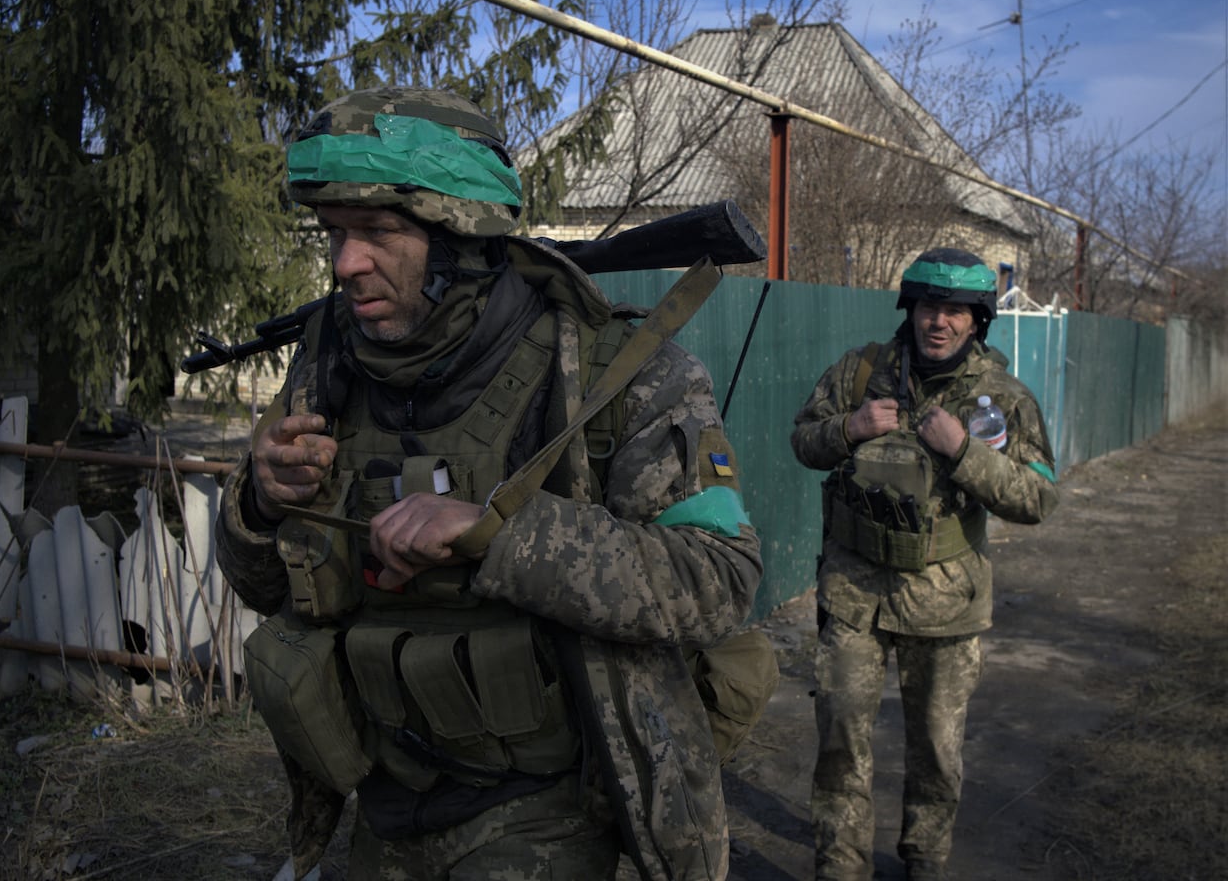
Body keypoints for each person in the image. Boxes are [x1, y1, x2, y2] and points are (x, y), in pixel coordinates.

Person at [214, 86, 766, 881]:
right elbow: (263, 586)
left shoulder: (619, 374)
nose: (345, 263)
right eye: (333, 233)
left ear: (459, 236)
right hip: (382, 795)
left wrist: (496, 531)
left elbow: (718, 576)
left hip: (545, 808)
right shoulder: (327, 361)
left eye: (376, 231)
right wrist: (261, 502)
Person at [790, 248, 1059, 881]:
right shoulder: (860, 373)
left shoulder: (1004, 398)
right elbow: (804, 439)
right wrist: (850, 428)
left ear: (978, 321)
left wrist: (965, 452)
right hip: (854, 592)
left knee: (936, 751)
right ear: (911, 310)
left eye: (956, 311)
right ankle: (840, 865)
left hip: (946, 603)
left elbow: (1039, 496)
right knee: (839, 742)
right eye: (929, 307)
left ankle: (925, 862)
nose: (939, 322)